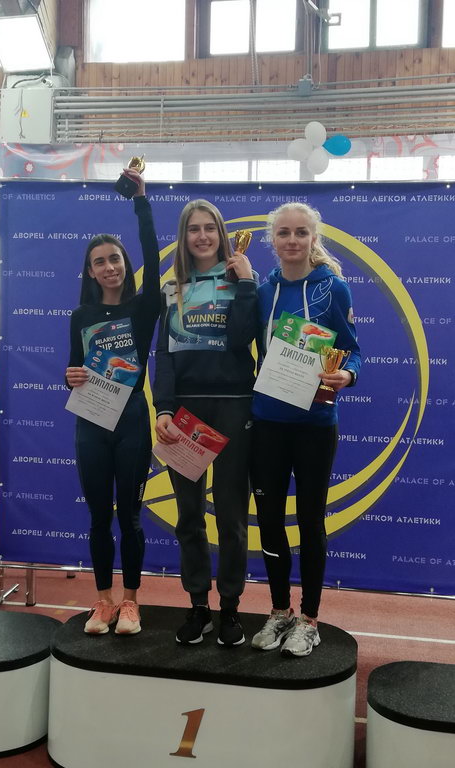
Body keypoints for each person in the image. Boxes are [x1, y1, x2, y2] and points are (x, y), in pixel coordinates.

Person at [249, 202, 361, 658]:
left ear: (314, 238)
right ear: (272, 240)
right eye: (284, 233)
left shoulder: (334, 288)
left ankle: (310, 620)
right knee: (270, 521)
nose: (292, 240)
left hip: (315, 424)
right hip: (267, 423)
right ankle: (280, 611)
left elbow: (353, 351)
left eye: (301, 232)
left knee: (311, 521)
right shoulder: (262, 292)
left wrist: (347, 375)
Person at [153, 199, 258, 647]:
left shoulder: (240, 282)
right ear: (184, 237)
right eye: (193, 229)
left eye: (209, 228)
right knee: (190, 517)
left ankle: (230, 607)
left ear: (221, 234)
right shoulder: (172, 288)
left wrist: (247, 284)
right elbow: (164, 354)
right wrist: (163, 407)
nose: (202, 236)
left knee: (232, 517)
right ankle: (198, 605)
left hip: (234, 407)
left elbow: (240, 339)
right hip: (186, 414)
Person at [65, 168, 160, 637]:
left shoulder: (143, 307)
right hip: (91, 422)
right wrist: (69, 376)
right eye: (100, 261)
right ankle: (102, 602)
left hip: (132, 422)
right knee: (99, 517)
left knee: (131, 517)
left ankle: (130, 603)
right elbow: (73, 368)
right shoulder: (80, 315)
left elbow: (153, 258)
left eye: (115, 259)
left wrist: (141, 203)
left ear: (125, 264)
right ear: (91, 271)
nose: (109, 267)